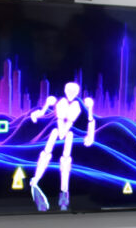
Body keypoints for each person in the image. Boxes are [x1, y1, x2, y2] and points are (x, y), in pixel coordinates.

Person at [29, 81, 95, 211]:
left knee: (66, 157)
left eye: (74, 91)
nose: (71, 93)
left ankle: (64, 196)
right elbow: (42, 112)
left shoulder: (78, 106)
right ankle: (36, 181)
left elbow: (90, 121)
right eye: (69, 90)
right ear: (65, 90)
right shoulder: (60, 103)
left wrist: (90, 134)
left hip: (68, 134)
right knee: (48, 151)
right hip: (57, 132)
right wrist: (36, 114)